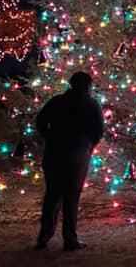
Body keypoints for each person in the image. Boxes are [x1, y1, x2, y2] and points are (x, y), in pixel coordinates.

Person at [35, 71, 104, 251]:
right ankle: (70, 238)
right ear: (88, 86)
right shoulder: (91, 104)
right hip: (78, 154)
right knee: (71, 196)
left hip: (54, 153)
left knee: (52, 194)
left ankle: (45, 235)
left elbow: (40, 121)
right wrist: (89, 144)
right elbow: (99, 129)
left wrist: (49, 136)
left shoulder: (56, 102)